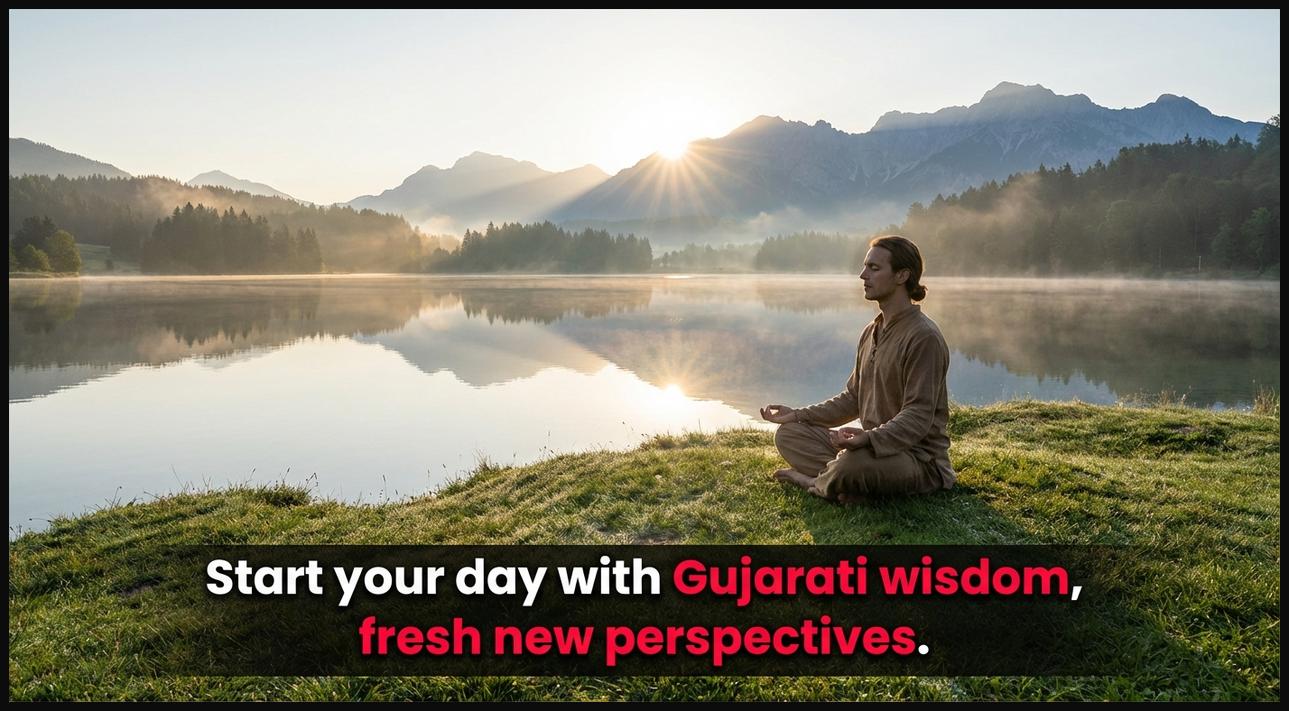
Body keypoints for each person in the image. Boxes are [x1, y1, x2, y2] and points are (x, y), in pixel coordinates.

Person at [760, 235, 956, 503]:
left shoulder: (924, 337)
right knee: (790, 435)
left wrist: (868, 440)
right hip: (871, 449)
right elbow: (853, 398)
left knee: (851, 464)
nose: (863, 275)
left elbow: (918, 416)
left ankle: (814, 481)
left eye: (874, 268)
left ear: (902, 276)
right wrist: (796, 415)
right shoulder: (870, 332)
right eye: (865, 267)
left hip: (917, 459)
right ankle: (849, 483)